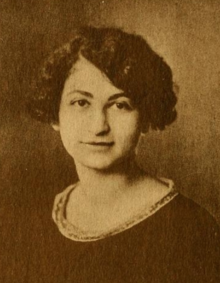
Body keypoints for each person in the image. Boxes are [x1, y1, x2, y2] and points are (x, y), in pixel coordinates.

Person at [27, 26, 220, 283]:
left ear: (146, 117)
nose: (99, 126)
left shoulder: (192, 228)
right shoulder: (37, 219)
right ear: (55, 114)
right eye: (81, 102)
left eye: (120, 105)